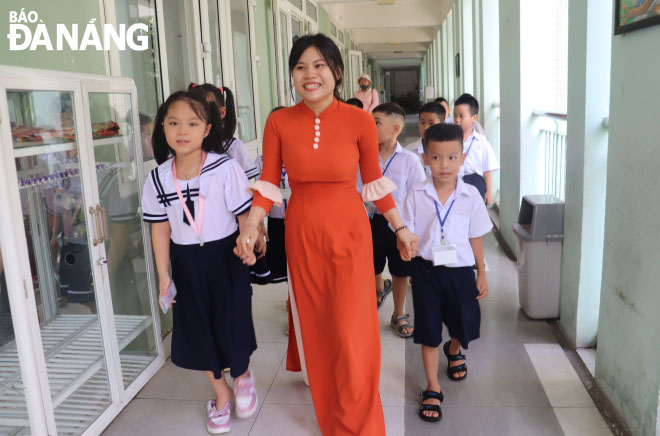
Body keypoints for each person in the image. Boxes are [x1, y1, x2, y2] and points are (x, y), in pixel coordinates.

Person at [234, 33, 417, 435]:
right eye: (300, 67)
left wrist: (399, 227)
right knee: (317, 324)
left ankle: (361, 420)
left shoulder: (358, 121)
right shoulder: (278, 121)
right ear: (292, 76)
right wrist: (251, 225)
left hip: (350, 230)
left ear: (336, 71)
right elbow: (267, 183)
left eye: (319, 65)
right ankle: (329, 405)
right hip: (302, 232)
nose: (309, 74)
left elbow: (372, 181)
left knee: (355, 329)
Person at [142, 91, 259, 434]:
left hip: (226, 256)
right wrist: (164, 274)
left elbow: (244, 217)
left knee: (233, 320)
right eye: (173, 122)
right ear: (162, 127)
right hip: (186, 261)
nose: (182, 131)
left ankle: (242, 374)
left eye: (192, 123)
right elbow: (160, 230)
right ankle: (221, 395)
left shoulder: (225, 168)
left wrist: (248, 245)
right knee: (198, 329)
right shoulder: (158, 178)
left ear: (207, 128)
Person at [402, 123, 492, 423]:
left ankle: (453, 349)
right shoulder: (416, 193)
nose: (445, 165)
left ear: (462, 158)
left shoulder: (470, 196)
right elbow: (406, 231)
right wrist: (405, 246)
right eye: (437, 157)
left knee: (465, 325)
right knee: (428, 331)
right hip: (426, 271)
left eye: (452, 157)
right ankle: (432, 386)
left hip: (460, 271)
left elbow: (475, 235)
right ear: (425, 158)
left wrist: (481, 271)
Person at [361, 102, 426, 338]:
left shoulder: (409, 160)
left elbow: (418, 194)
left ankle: (398, 313)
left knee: (400, 271)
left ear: (396, 128)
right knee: (369, 267)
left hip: (399, 224)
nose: (370, 126)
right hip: (370, 221)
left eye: (376, 122)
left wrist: (411, 229)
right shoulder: (363, 157)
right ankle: (373, 302)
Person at [188, 83, 259, 179]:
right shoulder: (186, 147)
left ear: (221, 112)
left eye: (205, 109)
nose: (198, 116)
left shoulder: (234, 147)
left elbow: (245, 185)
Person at [453, 93, 499, 205]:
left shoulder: (481, 142)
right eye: (455, 116)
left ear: (474, 118)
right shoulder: (449, 141)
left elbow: (486, 168)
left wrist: (488, 191)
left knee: (476, 215)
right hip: (454, 181)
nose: (457, 120)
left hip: (475, 182)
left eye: (461, 116)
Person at [405, 102, 446, 174]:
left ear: (442, 125)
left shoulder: (450, 150)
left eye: (431, 123)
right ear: (418, 123)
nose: (426, 127)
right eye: (423, 123)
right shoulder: (408, 152)